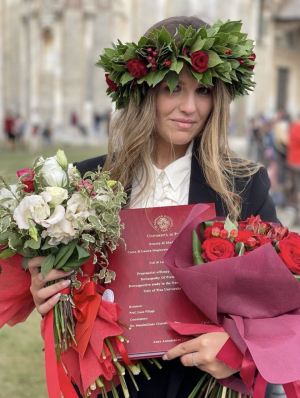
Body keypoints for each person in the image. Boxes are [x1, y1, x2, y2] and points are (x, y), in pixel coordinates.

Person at [28, 16, 281, 398]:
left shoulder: (244, 185)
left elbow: (279, 304)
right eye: (173, 88)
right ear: (145, 91)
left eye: (203, 91)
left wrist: (238, 352)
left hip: (203, 385)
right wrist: (47, 291)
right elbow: (67, 292)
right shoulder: (85, 182)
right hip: (108, 388)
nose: (189, 107)